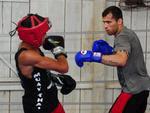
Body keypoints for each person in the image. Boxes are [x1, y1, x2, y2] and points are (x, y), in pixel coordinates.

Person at [75, 6, 150, 113]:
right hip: (140, 89)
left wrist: (93, 56)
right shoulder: (127, 33)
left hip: (134, 91)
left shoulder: (122, 36)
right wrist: (111, 51)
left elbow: (121, 60)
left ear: (119, 21)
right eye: (104, 22)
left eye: (109, 22)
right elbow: (125, 56)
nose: (105, 26)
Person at [10, 14, 76, 113]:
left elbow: (36, 71)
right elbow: (63, 67)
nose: (45, 36)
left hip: (52, 103)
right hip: (39, 108)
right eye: (43, 33)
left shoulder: (33, 47)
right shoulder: (26, 55)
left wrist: (54, 78)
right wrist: (59, 50)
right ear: (34, 35)